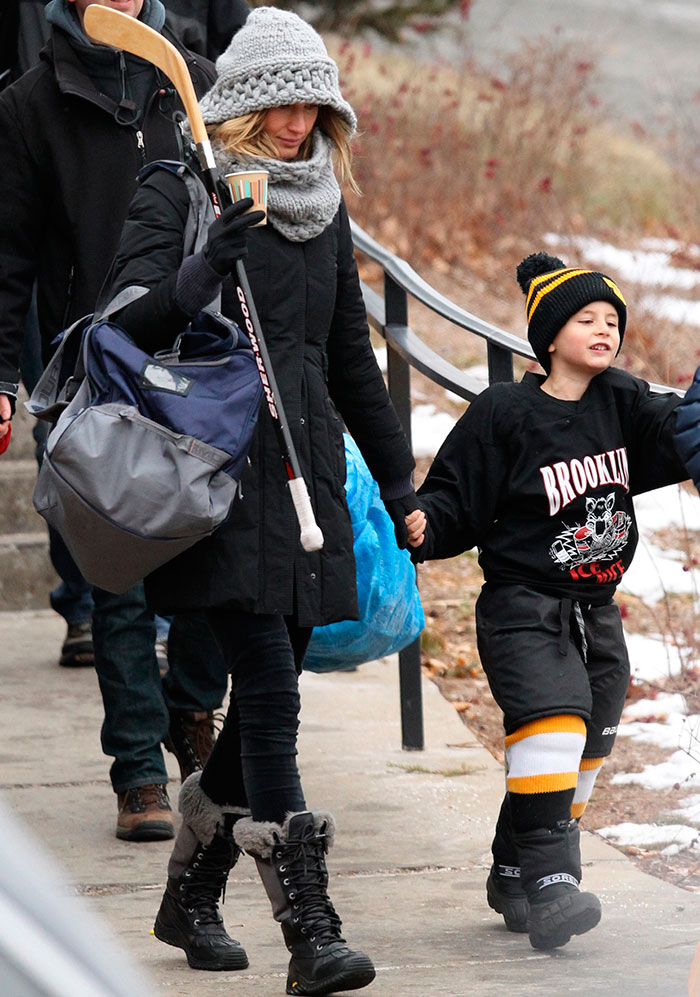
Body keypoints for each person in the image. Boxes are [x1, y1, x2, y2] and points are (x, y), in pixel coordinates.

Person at [102, 6, 419, 992]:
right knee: (274, 699)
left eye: (314, 107)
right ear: (242, 103)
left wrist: (400, 478)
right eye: (281, 104)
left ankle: (189, 895)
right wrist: (202, 270)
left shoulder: (325, 206)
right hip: (221, 472)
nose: (297, 124)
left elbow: (345, 358)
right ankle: (310, 931)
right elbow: (124, 326)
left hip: (306, 480)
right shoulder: (181, 187)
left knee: (256, 706)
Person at [406, 252, 688, 952]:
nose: (604, 329)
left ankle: (512, 868)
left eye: (612, 320)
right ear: (549, 334)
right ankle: (554, 885)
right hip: (523, 605)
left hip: (597, 611)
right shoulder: (506, 411)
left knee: (584, 750)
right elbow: (452, 497)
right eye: (586, 318)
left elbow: (681, 433)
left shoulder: (622, 400)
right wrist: (424, 524)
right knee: (554, 729)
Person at [0, 0, 230, 840]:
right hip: (94, 362)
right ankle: (138, 769)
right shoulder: (29, 103)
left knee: (216, 559)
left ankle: (192, 706)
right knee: (118, 581)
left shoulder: (194, 82)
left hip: (200, 362)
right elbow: (10, 253)